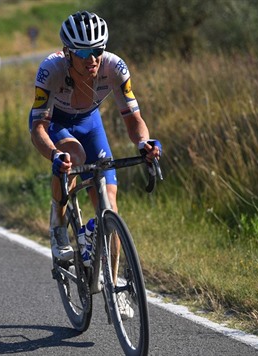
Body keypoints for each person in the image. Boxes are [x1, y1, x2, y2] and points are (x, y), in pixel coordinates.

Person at [29, 11, 161, 287]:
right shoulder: (50, 70)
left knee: (110, 206)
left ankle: (113, 287)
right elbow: (37, 127)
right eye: (83, 51)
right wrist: (55, 155)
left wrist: (143, 144)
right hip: (59, 125)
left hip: (91, 125)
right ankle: (58, 222)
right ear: (68, 52)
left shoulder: (115, 67)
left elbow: (133, 118)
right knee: (73, 156)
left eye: (98, 50)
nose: (92, 58)